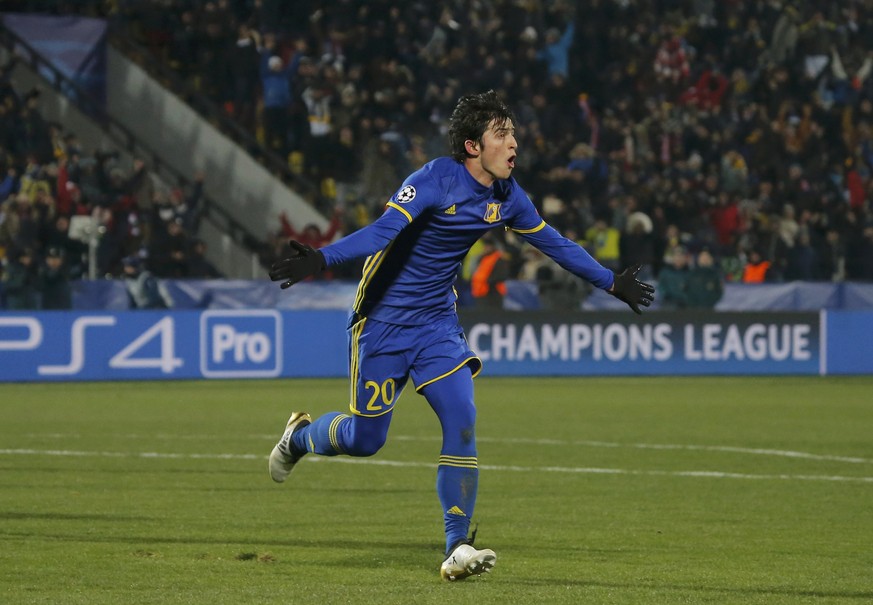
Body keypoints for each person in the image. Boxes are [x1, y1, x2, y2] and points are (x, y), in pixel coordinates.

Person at [266, 90, 655, 581]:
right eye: (502, 133)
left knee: (462, 418)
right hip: (384, 321)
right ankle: (300, 438)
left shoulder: (508, 196)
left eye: (513, 131)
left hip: (436, 325)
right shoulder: (433, 180)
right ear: (474, 146)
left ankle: (457, 547)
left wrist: (612, 282)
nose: (514, 142)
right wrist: (322, 258)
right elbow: (382, 232)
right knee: (367, 439)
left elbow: (555, 243)